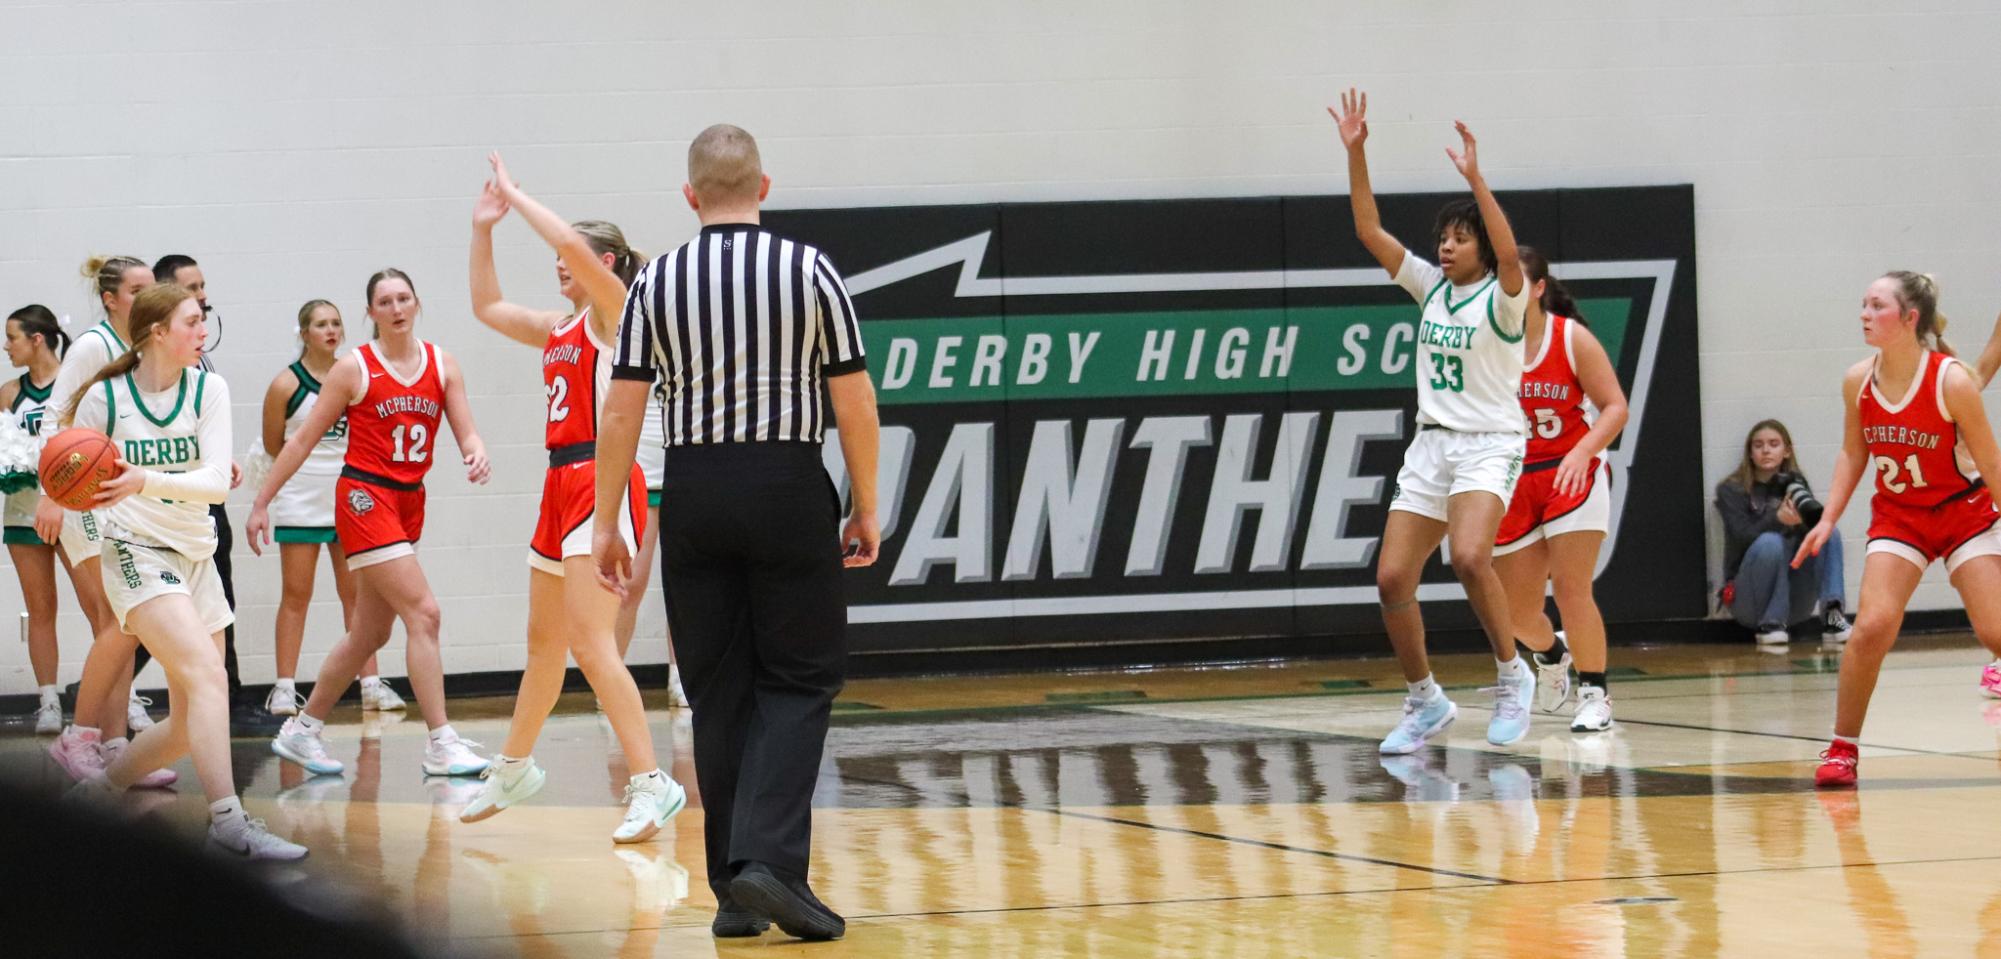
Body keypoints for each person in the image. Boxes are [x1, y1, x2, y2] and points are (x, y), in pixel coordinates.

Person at [595, 123, 879, 941]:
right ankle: (770, 864)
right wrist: (866, 502)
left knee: (720, 686)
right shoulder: (809, 268)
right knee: (798, 678)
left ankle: (731, 892)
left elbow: (622, 407)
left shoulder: (658, 281)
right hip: (787, 482)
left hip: (694, 488)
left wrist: (605, 519)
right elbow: (852, 398)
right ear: (763, 186)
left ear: (689, 197)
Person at [458, 153, 685, 841]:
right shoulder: (560, 327)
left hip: (604, 480)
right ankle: (515, 764)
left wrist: (518, 198)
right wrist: (483, 230)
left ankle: (652, 781)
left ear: (607, 263)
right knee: (543, 646)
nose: (562, 266)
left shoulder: (620, 314)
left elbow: (562, 244)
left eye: (577, 259)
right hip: (560, 482)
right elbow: (486, 306)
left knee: (592, 643)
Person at [62, 281, 305, 858]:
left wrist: (145, 479)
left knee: (193, 714)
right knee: (209, 678)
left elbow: (218, 483)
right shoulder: (106, 401)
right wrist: (88, 514)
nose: (203, 332)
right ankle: (228, 823)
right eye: (193, 322)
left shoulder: (208, 388)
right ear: (157, 332)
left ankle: (101, 792)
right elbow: (73, 477)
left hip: (196, 551)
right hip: (136, 551)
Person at [1330, 89, 1538, 751]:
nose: (1445, 247)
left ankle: (1512, 675)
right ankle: (1425, 700)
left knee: (1470, 554)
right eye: (1442, 239)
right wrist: (1356, 154)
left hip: (1488, 443)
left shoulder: (1503, 299)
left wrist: (1476, 181)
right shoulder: (1428, 286)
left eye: (1458, 236)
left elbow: (1510, 258)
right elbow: (1368, 230)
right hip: (1432, 445)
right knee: (1391, 577)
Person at [249, 268, 492, 779]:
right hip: (364, 498)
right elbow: (301, 441)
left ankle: (303, 728)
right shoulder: (354, 369)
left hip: (409, 500)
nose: (397, 308)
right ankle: (441, 742)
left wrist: (476, 453)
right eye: (385, 301)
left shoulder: (441, 363)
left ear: (417, 302)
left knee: (369, 633)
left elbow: (466, 430)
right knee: (424, 613)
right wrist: (261, 501)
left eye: (405, 297)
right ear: (371, 313)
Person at [1796, 272, 2001, 787]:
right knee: (1871, 628)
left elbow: (1989, 461)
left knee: (1995, 630)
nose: (1864, 313)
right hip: (1900, 516)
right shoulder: (1857, 380)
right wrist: (1828, 519)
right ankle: (1842, 749)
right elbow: (1852, 452)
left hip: (1963, 511)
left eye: (1877, 306)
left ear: (1910, 319)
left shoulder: (1951, 381)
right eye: (1863, 304)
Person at [44, 256, 173, 787]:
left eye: (152, 289)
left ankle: (115, 744)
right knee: (115, 624)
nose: (147, 298)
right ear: (112, 299)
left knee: (123, 624)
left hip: (121, 501)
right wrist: (53, 495)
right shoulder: (94, 346)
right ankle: (82, 739)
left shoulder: (145, 348)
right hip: (81, 500)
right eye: (137, 290)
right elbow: (56, 415)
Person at [1490, 248, 1630, 732]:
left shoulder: (1570, 338)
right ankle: (1552, 655)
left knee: (1572, 589)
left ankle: (1595, 692)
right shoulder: (1485, 344)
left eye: (1514, 280)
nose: (1504, 289)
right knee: (1514, 613)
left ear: (1538, 288)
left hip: (1572, 470)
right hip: (1514, 477)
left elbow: (1614, 407)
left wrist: (1582, 451)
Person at [140, 254, 278, 733]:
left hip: (200, 503)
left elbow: (195, 424)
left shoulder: (200, 360)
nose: (202, 295)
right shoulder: (132, 373)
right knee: (140, 622)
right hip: (151, 518)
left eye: (203, 286)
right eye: (191, 287)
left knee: (218, 600)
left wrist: (218, 461)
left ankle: (230, 697)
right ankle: (105, 699)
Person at [257, 299, 401, 716]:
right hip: (301, 494)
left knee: (355, 594)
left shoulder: (353, 373)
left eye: (336, 323)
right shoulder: (286, 384)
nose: (331, 330)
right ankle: (285, 687)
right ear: (304, 333)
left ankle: (370, 683)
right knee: (296, 593)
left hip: (350, 493)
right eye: (321, 324)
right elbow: (273, 445)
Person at [1714, 420, 1850, 645]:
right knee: (1771, 542)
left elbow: (1813, 537)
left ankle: (1833, 616)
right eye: (1758, 445)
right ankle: (1770, 623)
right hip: (1749, 599)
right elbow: (1742, 537)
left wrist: (1803, 522)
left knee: (1828, 532)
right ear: (1750, 452)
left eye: (1773, 444)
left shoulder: (1795, 485)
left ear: (1786, 451)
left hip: (1795, 599)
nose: (1766, 450)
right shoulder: (1731, 489)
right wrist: (1776, 519)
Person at [3, 305, 70, 732]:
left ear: (37, 339)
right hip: (24, 511)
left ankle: (127, 697)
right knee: (40, 609)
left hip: (73, 510)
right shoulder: (9, 393)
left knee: (104, 607)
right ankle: (48, 700)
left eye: (12, 338)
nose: (6, 347)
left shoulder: (77, 385)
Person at [613, 380, 687, 709]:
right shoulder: (623, 332)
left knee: (686, 584)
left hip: (687, 467)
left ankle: (682, 677)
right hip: (638, 472)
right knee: (630, 585)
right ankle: (610, 679)